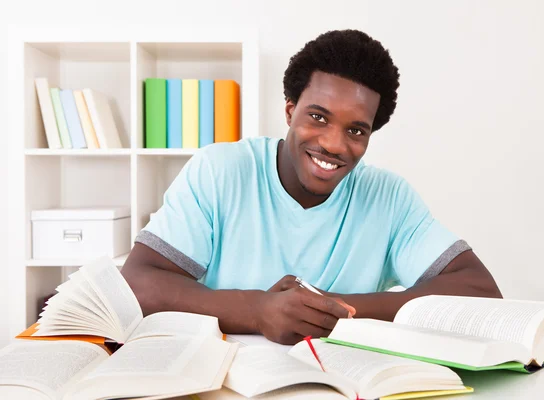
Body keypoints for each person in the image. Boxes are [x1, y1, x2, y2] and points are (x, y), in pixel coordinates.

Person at [121, 29, 502, 345]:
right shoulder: (221, 171)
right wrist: (257, 310)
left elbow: (480, 292)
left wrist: (323, 308)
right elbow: (138, 281)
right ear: (290, 110)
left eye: (356, 130)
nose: (335, 144)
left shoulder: (389, 198)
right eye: (318, 117)